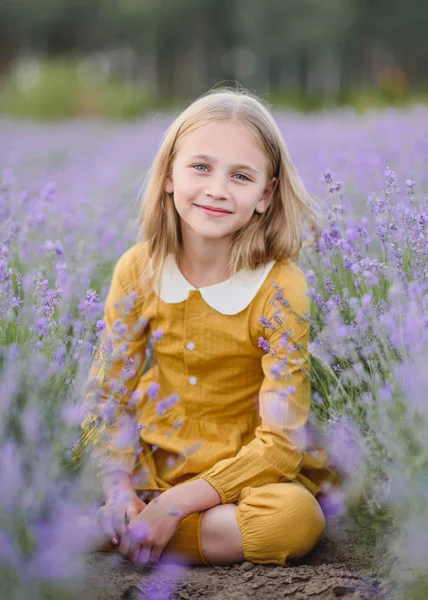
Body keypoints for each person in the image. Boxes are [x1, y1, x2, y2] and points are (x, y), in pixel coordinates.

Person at [80, 86, 341, 569]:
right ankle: (133, 521)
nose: (218, 189)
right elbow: (108, 397)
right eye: (201, 167)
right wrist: (118, 488)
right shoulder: (138, 269)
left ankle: (126, 536)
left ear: (265, 196)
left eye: (240, 176)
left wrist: (173, 507)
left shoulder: (280, 286)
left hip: (245, 480)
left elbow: (282, 445)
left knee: (294, 520)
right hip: (153, 471)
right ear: (169, 176)